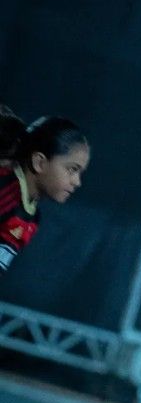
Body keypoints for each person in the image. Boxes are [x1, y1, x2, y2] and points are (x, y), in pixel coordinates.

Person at [0, 105, 90, 275]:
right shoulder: (5, 189)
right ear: (39, 162)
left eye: (80, 173)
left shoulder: (32, 218)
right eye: (72, 169)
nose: (77, 182)